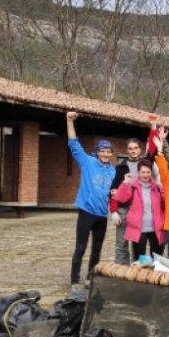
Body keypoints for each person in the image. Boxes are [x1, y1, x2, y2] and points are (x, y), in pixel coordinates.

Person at [65, 111, 116, 288]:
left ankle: (90, 278)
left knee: (97, 249)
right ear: (97, 152)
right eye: (103, 151)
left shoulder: (113, 171)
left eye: (109, 151)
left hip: (102, 215)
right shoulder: (87, 162)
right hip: (86, 211)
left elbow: (116, 192)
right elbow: (73, 143)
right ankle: (74, 280)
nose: (106, 154)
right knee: (80, 247)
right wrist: (69, 121)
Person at [114, 159, 165, 259]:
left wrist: (161, 185)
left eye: (148, 172)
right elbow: (120, 198)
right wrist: (125, 183)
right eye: (143, 172)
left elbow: (165, 200)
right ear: (138, 173)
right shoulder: (133, 187)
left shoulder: (157, 188)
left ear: (151, 173)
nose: (145, 175)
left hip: (156, 229)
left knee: (157, 259)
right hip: (139, 230)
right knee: (139, 259)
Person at [109, 138, 144, 265]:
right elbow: (113, 190)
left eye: (135, 148)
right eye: (130, 148)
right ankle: (121, 271)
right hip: (123, 209)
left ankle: (137, 270)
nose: (133, 151)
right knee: (121, 242)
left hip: (140, 209)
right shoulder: (120, 168)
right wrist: (113, 211)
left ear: (140, 149)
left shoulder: (146, 166)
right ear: (127, 150)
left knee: (138, 242)